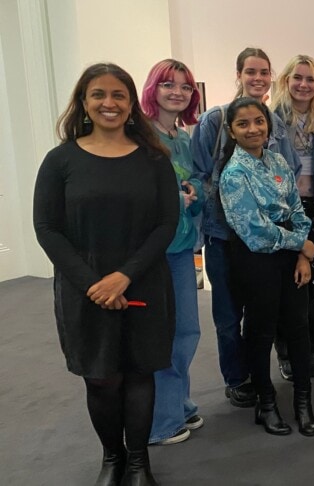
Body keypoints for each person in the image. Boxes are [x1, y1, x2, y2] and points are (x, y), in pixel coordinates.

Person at [34, 63, 178, 485]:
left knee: (138, 373)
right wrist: (93, 284)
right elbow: (47, 229)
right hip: (84, 288)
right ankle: (112, 458)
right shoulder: (60, 160)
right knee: (100, 378)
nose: (109, 103)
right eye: (98, 94)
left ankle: (138, 463)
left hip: (143, 281)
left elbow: (166, 224)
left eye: (119, 95)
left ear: (132, 104)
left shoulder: (154, 159)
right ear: (83, 102)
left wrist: (124, 277)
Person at [191, 47, 301, 408]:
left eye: (264, 72)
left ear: (272, 77)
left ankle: (261, 374)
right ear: (238, 74)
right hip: (226, 236)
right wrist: (238, 203)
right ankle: (237, 379)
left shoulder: (277, 123)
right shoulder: (214, 119)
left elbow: (289, 171)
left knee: (262, 313)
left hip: (267, 240)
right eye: (250, 71)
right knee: (227, 314)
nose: (257, 78)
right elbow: (201, 173)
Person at [218, 97, 314, 436]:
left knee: (298, 328)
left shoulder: (277, 160)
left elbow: (298, 211)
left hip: (291, 258)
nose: (253, 129)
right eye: (243, 124)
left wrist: (304, 255)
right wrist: (301, 244)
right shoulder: (233, 174)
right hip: (255, 261)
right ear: (232, 131)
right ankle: (266, 404)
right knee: (260, 332)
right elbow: (256, 232)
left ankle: (303, 403)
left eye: (258, 121)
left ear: (268, 124)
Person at [139, 59, 205, 447]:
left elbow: (193, 183)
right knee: (160, 336)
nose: (177, 92)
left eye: (184, 86)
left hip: (181, 248)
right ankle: (160, 421)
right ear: (153, 89)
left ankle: (177, 403)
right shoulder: (140, 137)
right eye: (168, 85)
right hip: (150, 252)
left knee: (186, 331)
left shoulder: (183, 138)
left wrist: (193, 196)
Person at [272, 54, 314, 380]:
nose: (303, 84)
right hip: (283, 212)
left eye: (310, 79)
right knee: (287, 283)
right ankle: (287, 352)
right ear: (286, 81)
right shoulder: (272, 120)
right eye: (298, 77)